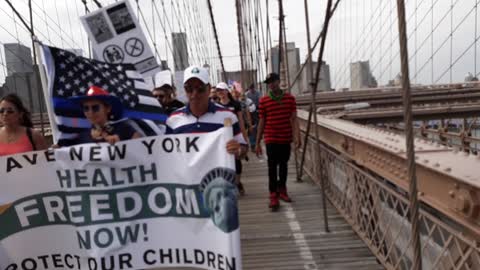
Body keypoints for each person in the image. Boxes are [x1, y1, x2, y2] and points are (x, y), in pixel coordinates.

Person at [166, 66, 248, 193]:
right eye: (189, 88)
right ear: (184, 90)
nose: (194, 94)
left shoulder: (228, 116)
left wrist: (237, 150)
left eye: (200, 89)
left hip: (220, 189)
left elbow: (243, 148)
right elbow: (167, 156)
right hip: (187, 191)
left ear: (209, 89)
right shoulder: (173, 120)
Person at [255, 73, 301, 211]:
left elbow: (294, 119)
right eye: (268, 82)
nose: (271, 84)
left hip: (285, 138)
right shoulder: (264, 101)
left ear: (278, 81)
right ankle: (273, 194)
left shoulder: (290, 99)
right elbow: (262, 121)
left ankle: (282, 189)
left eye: (273, 81)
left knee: (284, 165)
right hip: (271, 138)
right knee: (272, 166)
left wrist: (298, 137)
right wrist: (257, 142)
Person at [63, 86, 142, 146]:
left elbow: (144, 150)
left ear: (107, 108)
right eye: (86, 108)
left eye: (95, 108)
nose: (90, 112)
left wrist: (122, 145)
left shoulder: (125, 128)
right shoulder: (82, 137)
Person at [216, 82, 248, 195]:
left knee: (237, 159)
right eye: (218, 90)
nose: (220, 92)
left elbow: (240, 121)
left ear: (226, 91)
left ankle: (238, 182)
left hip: (234, 135)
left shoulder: (235, 104)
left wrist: (244, 138)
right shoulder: (215, 106)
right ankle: (229, 185)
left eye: (222, 90)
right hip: (222, 137)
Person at [246, 84, 260, 150]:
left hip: (255, 110)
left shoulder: (257, 93)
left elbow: (259, 101)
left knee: (255, 127)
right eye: (250, 89)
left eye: (252, 89)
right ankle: (252, 143)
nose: (252, 90)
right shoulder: (247, 95)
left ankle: (255, 141)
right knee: (251, 129)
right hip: (249, 112)